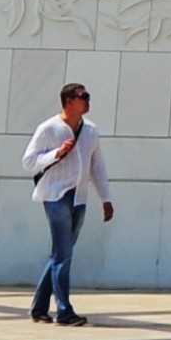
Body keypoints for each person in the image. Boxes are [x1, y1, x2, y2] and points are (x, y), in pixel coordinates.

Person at [22, 81, 112, 327]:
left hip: (79, 198)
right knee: (63, 254)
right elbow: (29, 162)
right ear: (69, 101)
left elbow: (98, 166)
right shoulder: (49, 128)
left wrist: (106, 198)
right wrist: (56, 154)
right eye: (83, 96)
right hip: (55, 195)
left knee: (61, 254)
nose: (88, 101)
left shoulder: (91, 131)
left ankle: (39, 309)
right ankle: (64, 310)